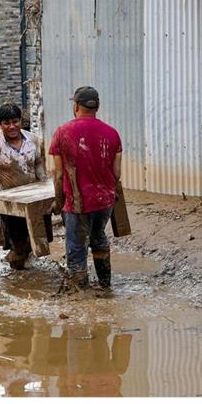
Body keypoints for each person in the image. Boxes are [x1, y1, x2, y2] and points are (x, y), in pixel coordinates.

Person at [49, 86, 122, 293]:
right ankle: (106, 285)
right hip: (104, 202)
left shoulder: (62, 132)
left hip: (77, 202)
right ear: (97, 107)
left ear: (76, 106)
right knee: (98, 236)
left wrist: (58, 201)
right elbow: (117, 174)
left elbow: (59, 174)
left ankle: (80, 292)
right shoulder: (112, 133)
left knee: (76, 246)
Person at [0, 103, 46, 270]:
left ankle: (23, 272)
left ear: (21, 121)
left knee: (38, 242)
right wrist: (0, 200)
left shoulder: (33, 140)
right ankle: (16, 274)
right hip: (11, 206)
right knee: (18, 244)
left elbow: (40, 167)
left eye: (15, 121)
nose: (12, 127)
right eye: (6, 123)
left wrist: (45, 192)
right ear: (0, 125)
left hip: (35, 200)